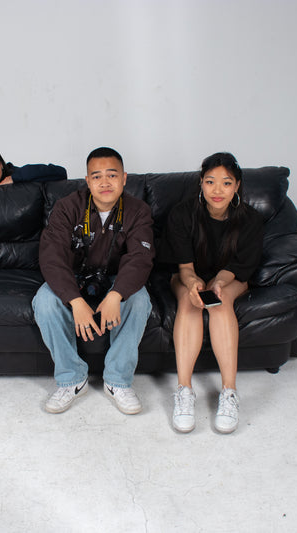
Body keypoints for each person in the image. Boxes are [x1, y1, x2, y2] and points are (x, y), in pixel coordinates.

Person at [32, 147, 154, 415]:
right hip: (73, 277)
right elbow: (51, 258)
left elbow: (140, 258)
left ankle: (118, 382)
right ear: (87, 181)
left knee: (140, 300)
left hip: (115, 278)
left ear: (124, 178)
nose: (105, 182)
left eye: (112, 175)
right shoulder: (67, 207)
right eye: (96, 176)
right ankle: (72, 380)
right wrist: (75, 301)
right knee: (44, 300)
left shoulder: (138, 210)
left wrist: (116, 295)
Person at [160, 152, 264, 434]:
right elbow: (184, 267)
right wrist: (194, 284)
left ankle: (229, 392)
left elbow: (236, 268)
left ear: (237, 186)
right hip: (188, 274)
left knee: (220, 302)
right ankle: (184, 391)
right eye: (210, 182)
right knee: (189, 302)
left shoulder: (251, 220)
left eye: (226, 183)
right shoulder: (182, 214)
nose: (217, 190)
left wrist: (217, 283)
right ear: (201, 184)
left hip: (229, 277)